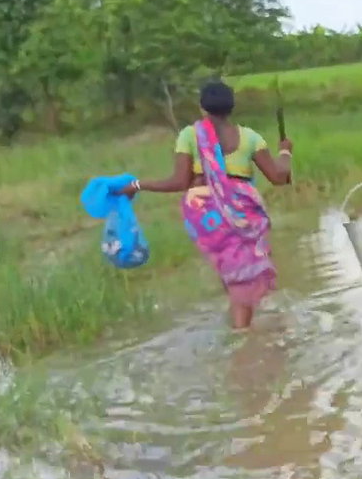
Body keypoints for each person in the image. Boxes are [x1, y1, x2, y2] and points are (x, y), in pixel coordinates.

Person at [120, 80, 292, 330]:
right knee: (244, 272)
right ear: (231, 108)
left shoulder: (190, 135)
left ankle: (241, 329)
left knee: (230, 269)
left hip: (205, 216)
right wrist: (285, 153)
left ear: (202, 107)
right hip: (243, 213)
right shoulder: (251, 137)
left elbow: (179, 181)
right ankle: (243, 332)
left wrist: (137, 185)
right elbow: (279, 178)